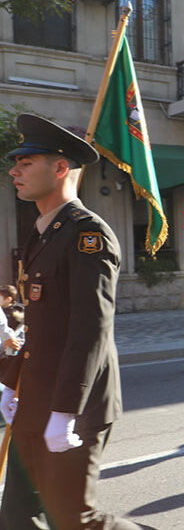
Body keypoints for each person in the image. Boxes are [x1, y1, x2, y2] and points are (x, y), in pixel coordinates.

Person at [0, 114, 147, 529]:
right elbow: (41, 323)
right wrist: (11, 380)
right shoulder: (41, 233)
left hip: (73, 406)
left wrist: (65, 411)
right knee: (15, 516)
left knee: (74, 519)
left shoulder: (89, 235)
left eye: (26, 162)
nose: (14, 170)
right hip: (35, 397)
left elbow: (90, 329)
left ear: (60, 167)